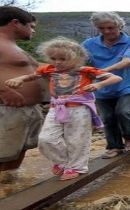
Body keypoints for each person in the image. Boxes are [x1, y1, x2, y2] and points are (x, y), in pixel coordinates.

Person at [5, 37, 122, 180]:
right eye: (53, 58)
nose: (57, 62)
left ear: (77, 58)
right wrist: (19, 79)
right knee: (46, 138)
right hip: (56, 108)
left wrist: (98, 85)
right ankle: (63, 162)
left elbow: (115, 78)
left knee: (77, 139)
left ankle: (76, 167)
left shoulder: (85, 70)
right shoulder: (48, 70)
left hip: (79, 109)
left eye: (63, 59)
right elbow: (31, 76)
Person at [82, 12, 130, 158]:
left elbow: (127, 61)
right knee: (108, 117)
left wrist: (102, 71)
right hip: (103, 86)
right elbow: (79, 60)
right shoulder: (88, 44)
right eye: (101, 28)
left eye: (110, 28)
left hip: (128, 83)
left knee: (124, 111)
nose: (106, 31)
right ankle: (115, 146)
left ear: (119, 26)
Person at [0, 6, 44, 171]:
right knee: (3, 156)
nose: (33, 31)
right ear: (16, 23)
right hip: (6, 109)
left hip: (27, 110)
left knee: (14, 158)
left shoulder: (12, 46)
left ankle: (8, 191)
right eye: (31, 26)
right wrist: (4, 91)